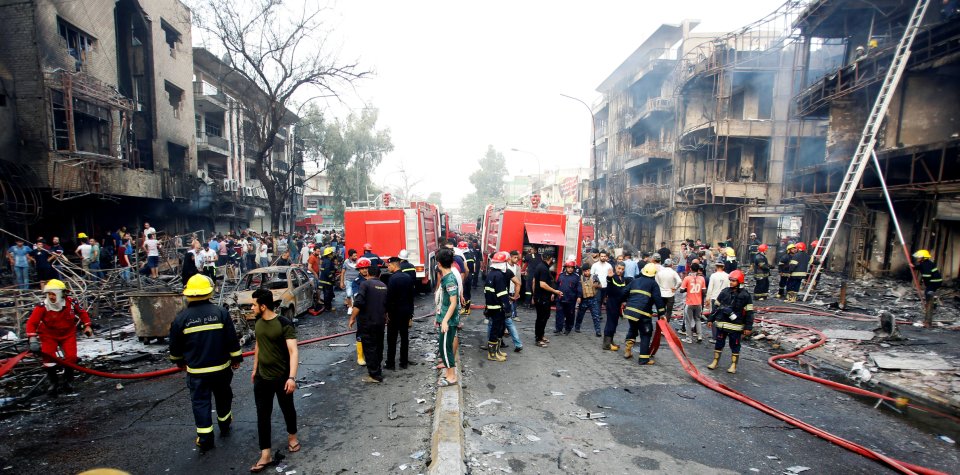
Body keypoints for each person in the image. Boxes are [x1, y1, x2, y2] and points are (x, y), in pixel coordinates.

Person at [168, 274, 242, 453]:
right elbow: (231, 339)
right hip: (221, 369)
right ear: (209, 293)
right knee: (224, 396)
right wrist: (236, 358)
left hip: (197, 372)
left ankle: (205, 438)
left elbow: (175, 347)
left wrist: (179, 363)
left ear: (189, 294)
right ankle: (224, 424)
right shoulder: (220, 313)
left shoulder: (181, 318)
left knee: (200, 402)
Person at [249, 288, 300, 472]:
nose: (251, 307)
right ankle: (265, 455)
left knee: (287, 409)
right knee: (262, 415)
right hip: (262, 377)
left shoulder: (284, 323)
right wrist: (255, 369)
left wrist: (292, 378)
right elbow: (259, 345)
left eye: (254, 304)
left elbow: (293, 351)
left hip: (281, 377)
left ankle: (292, 437)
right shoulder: (258, 321)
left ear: (263, 306)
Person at [26, 279, 92, 396]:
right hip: (48, 335)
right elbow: (32, 323)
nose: (51, 297)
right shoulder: (42, 307)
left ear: (61, 294)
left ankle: (68, 381)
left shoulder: (71, 303)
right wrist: (32, 339)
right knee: (48, 357)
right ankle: (53, 383)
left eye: (53, 294)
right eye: (49, 294)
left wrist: (87, 326)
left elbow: (82, 312)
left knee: (71, 357)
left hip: (68, 334)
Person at [706, 270, 754, 374]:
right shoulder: (725, 292)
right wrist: (711, 319)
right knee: (719, 343)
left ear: (739, 282)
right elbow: (716, 307)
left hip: (736, 326)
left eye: (734, 281)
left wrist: (748, 327)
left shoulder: (745, 295)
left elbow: (749, 312)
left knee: (735, 345)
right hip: (722, 324)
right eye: (730, 280)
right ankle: (715, 361)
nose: (731, 282)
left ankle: (733, 365)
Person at [348, 263, 388, 383]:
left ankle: (374, 375)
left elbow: (358, 303)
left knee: (369, 348)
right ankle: (378, 370)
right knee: (378, 346)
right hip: (380, 322)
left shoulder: (364, 284)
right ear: (379, 274)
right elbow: (386, 305)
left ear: (368, 274)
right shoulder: (384, 286)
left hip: (367, 322)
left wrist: (352, 318)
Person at [622, 263, 666, 365]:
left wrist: (624, 302)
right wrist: (662, 313)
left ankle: (627, 351)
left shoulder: (635, 281)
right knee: (646, 333)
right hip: (643, 313)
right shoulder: (653, 284)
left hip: (631, 311)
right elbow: (658, 299)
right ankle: (644, 359)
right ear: (654, 274)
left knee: (632, 329)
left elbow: (624, 292)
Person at [434, 248, 460, 386]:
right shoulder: (447, 278)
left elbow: (453, 302)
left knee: (446, 348)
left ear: (439, 264)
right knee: (444, 347)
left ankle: (451, 377)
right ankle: (449, 374)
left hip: (448, 320)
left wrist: (444, 320)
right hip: (445, 318)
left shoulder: (449, 280)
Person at [385, 257, 416, 370]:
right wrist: (411, 314)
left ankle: (390, 363)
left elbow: (389, 297)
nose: (388, 268)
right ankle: (403, 362)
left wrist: (386, 312)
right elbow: (411, 297)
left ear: (394, 265)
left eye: (389, 266)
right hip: (406, 311)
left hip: (394, 312)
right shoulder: (408, 278)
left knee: (392, 339)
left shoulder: (392, 279)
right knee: (404, 337)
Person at [483, 251, 512, 361]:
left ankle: (496, 351)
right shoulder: (499, 276)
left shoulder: (491, 274)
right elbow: (502, 294)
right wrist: (507, 307)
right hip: (498, 307)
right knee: (496, 330)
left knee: (497, 329)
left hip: (491, 306)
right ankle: (492, 354)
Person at [531, 250, 561, 347]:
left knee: (545, 317)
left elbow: (534, 281)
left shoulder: (542, 266)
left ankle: (541, 335)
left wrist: (534, 294)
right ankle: (538, 339)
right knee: (541, 318)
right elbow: (542, 284)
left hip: (543, 297)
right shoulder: (543, 268)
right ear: (550, 258)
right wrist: (554, 291)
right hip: (542, 298)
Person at [602, 262, 629, 351]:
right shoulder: (612, 277)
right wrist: (609, 277)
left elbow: (623, 291)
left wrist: (624, 301)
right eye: (619, 268)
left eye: (622, 269)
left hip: (618, 304)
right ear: (615, 268)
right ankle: (606, 344)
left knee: (615, 322)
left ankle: (611, 341)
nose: (620, 271)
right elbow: (609, 283)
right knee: (610, 322)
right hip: (612, 302)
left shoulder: (623, 279)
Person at [912, 249, 943, 326]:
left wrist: (926, 283)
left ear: (923, 258)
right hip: (935, 281)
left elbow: (927, 275)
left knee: (928, 293)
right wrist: (914, 267)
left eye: (919, 257)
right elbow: (920, 267)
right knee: (931, 293)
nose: (917, 258)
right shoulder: (925, 263)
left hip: (934, 281)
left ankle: (931, 306)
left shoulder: (926, 264)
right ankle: (933, 304)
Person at [678, 262, 706, 343]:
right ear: (698, 270)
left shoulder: (687, 278)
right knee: (697, 319)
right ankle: (699, 336)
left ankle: (689, 338)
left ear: (690, 269)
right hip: (698, 303)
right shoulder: (702, 279)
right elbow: (704, 292)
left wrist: (688, 289)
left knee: (688, 321)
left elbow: (681, 290)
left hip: (689, 303)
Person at [555, 260, 581, 335]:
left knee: (570, 315)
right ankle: (558, 329)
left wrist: (579, 296)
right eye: (568, 267)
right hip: (560, 298)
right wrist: (553, 293)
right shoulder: (561, 275)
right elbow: (557, 285)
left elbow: (579, 287)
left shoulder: (576, 277)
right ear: (565, 267)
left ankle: (568, 328)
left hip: (570, 300)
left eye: (572, 268)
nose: (570, 269)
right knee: (559, 314)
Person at [705, 261, 729, 342]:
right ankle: (722, 336)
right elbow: (729, 288)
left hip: (714, 298)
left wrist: (707, 299)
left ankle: (715, 337)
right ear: (723, 267)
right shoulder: (727, 276)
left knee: (714, 317)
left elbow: (710, 288)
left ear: (716, 267)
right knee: (723, 317)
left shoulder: (713, 276)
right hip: (724, 299)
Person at [575, 263, 601, 336]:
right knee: (580, 315)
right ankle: (577, 327)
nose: (587, 272)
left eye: (588, 271)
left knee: (596, 316)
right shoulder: (580, 278)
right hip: (584, 299)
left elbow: (600, 286)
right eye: (585, 271)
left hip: (593, 299)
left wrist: (597, 285)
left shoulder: (594, 277)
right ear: (583, 271)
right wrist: (578, 297)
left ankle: (598, 331)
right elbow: (578, 288)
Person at [319, 247, 336, 313]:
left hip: (325, 280)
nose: (332, 254)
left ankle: (328, 307)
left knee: (327, 294)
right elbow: (326, 270)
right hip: (327, 281)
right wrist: (331, 277)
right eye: (331, 253)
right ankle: (328, 308)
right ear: (329, 254)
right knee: (327, 295)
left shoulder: (325, 260)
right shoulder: (328, 261)